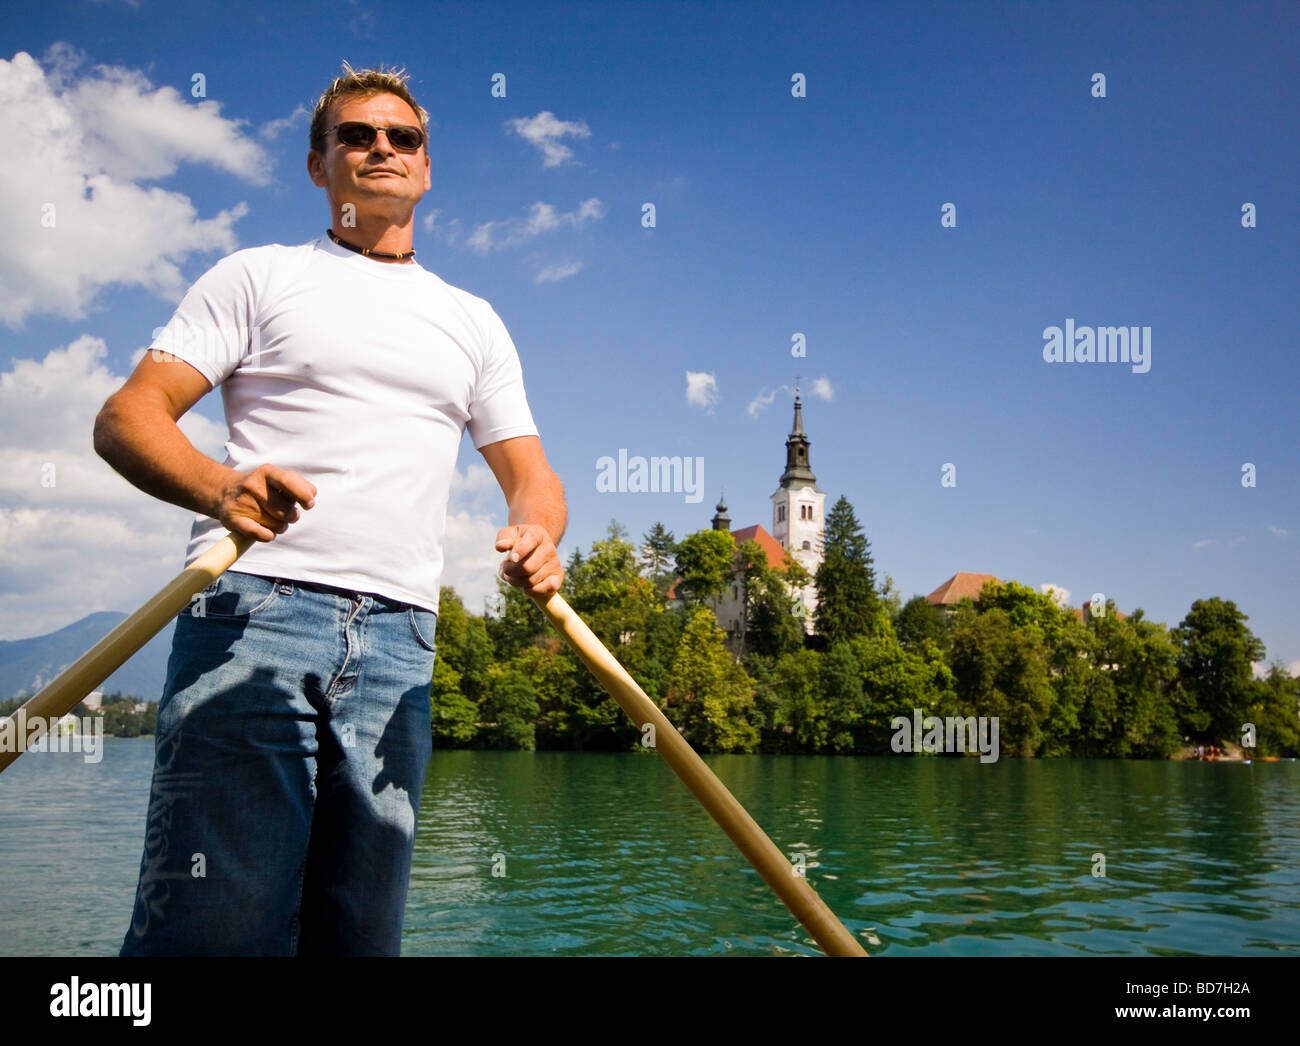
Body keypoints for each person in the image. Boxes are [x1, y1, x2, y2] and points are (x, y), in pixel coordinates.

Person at [94, 62, 566, 956]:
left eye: (404, 137)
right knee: (213, 930)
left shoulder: (475, 321)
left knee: (360, 938)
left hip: (404, 647)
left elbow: (532, 475)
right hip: (254, 613)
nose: (382, 148)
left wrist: (539, 530)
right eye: (356, 135)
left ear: (428, 168)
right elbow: (127, 416)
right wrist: (217, 486)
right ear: (319, 166)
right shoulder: (258, 276)